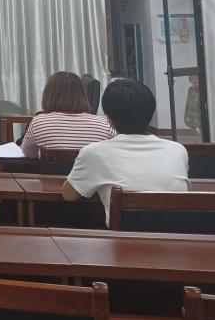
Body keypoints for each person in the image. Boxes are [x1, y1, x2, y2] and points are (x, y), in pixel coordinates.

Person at [63, 77, 188, 223]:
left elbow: (69, 195)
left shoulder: (94, 153)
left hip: (123, 236)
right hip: (177, 234)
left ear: (109, 119)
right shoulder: (178, 150)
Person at [20, 71, 115, 158]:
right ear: (82, 94)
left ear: (49, 95)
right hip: (92, 172)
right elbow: (115, 151)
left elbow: (27, 152)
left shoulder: (38, 122)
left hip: (52, 171)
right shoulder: (105, 124)